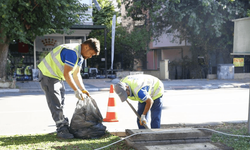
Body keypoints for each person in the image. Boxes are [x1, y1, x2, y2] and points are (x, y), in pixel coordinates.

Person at [38, 38, 100, 139]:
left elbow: (76, 74)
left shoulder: (80, 56)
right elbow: (67, 74)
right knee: (56, 103)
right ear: (86, 47)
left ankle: (63, 125)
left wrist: (82, 89)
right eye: (91, 54)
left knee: (61, 101)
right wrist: (76, 90)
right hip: (48, 75)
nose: (90, 56)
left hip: (56, 76)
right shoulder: (72, 53)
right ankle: (61, 129)